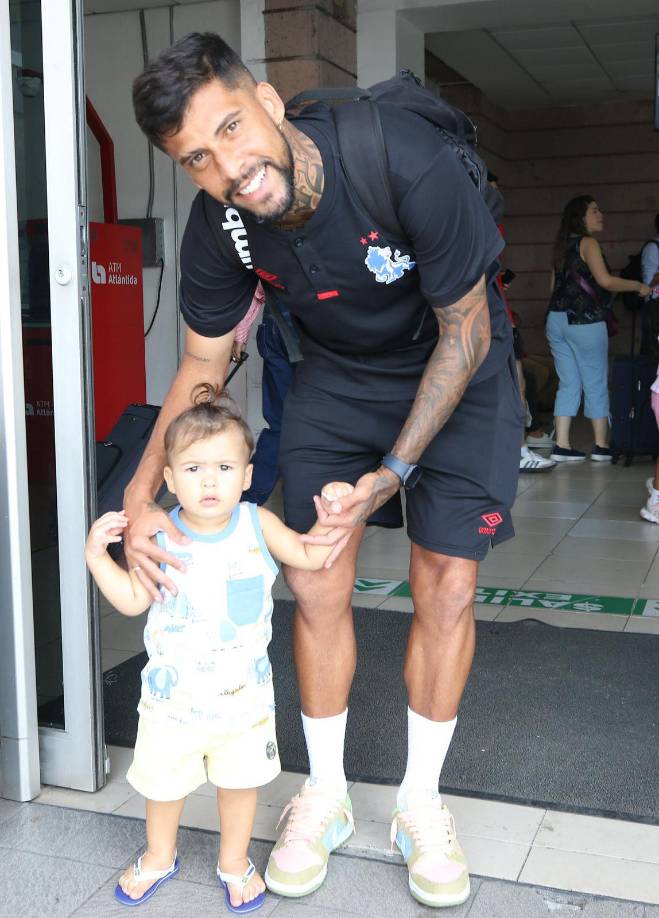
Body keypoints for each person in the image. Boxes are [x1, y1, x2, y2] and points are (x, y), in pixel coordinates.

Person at [126, 33, 523, 909]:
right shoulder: (220, 224)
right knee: (314, 582)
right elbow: (202, 366)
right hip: (334, 380)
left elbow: (467, 328)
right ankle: (327, 793)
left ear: (267, 100)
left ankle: (420, 802)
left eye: (231, 129)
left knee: (448, 584)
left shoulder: (399, 156)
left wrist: (390, 473)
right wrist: (139, 490)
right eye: (197, 157)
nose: (229, 167)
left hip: (458, 363)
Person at [85, 383, 352, 913]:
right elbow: (135, 600)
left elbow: (308, 554)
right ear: (168, 478)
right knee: (163, 788)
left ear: (248, 476)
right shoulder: (159, 537)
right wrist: (99, 559)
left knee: (240, 785)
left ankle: (233, 861)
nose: (210, 481)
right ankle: (160, 856)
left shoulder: (259, 525)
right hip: (170, 706)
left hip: (244, 704)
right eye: (193, 469)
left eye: (225, 469)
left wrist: (332, 515)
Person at [547, 196, 650, 463]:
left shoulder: (561, 246)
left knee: (568, 383)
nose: (600, 215)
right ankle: (602, 446)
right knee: (595, 382)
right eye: (594, 211)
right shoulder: (588, 243)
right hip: (585, 322)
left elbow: (552, 289)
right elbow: (604, 281)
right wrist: (638, 286)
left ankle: (561, 445)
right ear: (581, 218)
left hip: (556, 320)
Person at [231, 283, 296, 506]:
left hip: (275, 323)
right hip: (316, 327)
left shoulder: (270, 246)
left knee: (279, 425)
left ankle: (247, 502)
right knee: (326, 424)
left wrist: (241, 332)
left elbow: (257, 289)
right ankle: (317, 503)